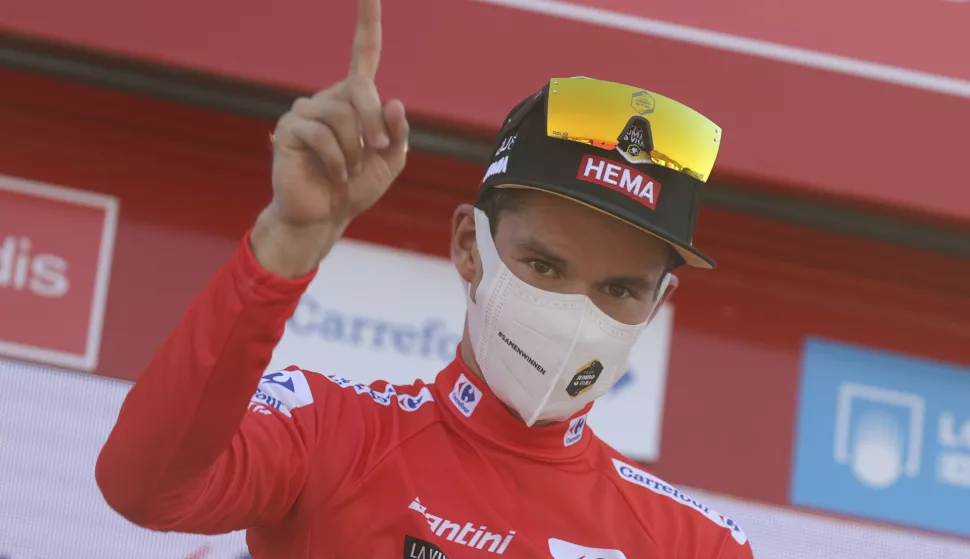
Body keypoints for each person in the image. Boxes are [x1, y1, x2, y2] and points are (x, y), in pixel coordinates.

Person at [95, 0, 753, 556]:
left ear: (659, 301)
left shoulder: (694, 544)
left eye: (618, 289)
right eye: (543, 266)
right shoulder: (328, 429)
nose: (574, 310)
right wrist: (283, 245)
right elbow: (143, 486)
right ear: (471, 246)